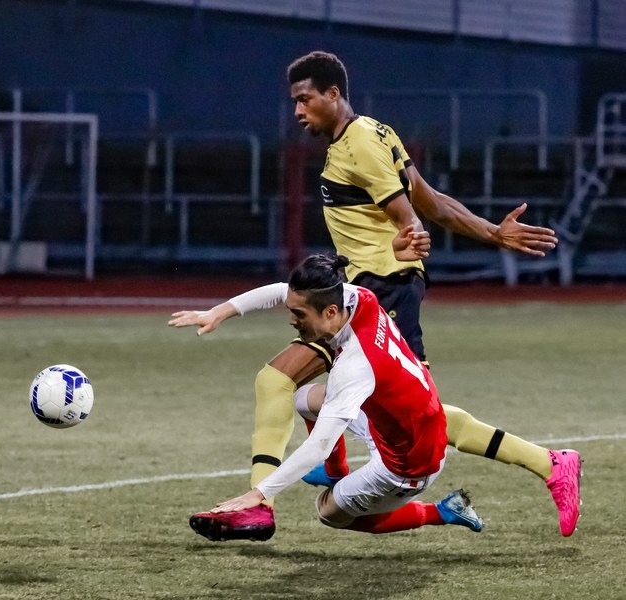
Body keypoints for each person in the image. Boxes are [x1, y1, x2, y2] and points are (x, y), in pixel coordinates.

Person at [170, 51, 582, 540]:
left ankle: (261, 503)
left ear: (333, 93)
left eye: (305, 99)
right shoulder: (375, 132)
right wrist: (491, 232)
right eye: (294, 101)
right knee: (414, 410)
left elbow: (411, 213)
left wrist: (408, 237)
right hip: (380, 286)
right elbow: (432, 200)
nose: (297, 111)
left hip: (380, 289)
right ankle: (548, 463)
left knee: (284, 382)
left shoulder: (361, 143)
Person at [186, 253, 485, 541]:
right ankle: (336, 473)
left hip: (409, 464)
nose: (291, 320)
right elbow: (281, 291)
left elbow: (319, 445)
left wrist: (258, 494)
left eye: (299, 314)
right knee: (304, 399)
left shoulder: (355, 365)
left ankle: (443, 511)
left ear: (330, 312)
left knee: (329, 513)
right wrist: (220, 312)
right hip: (400, 421)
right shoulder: (357, 297)